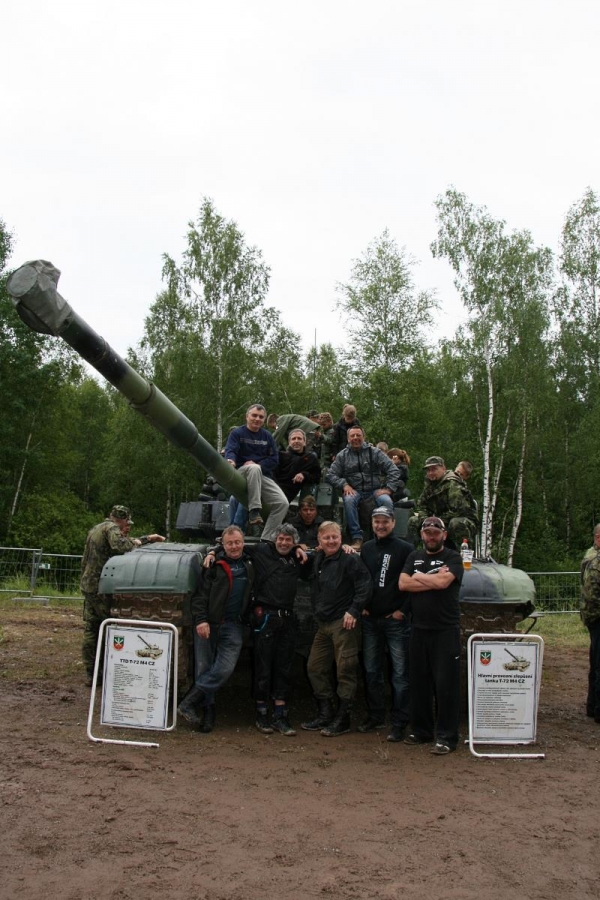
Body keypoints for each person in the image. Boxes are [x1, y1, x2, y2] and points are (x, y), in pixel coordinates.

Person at [178, 526, 254, 733]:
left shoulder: (250, 561)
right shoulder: (212, 565)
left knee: (224, 668)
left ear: (243, 542)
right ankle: (208, 711)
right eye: (229, 543)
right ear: (223, 544)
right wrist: (201, 620)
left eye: (237, 542)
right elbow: (200, 595)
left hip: (233, 624)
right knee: (204, 667)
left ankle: (188, 701)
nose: (234, 546)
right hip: (209, 624)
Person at [399, 516, 464, 755]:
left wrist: (418, 577)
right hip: (419, 628)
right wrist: (432, 579)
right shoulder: (414, 557)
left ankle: (447, 737)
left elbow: (444, 583)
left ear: (444, 535)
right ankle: (422, 731)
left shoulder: (453, 557)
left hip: (445, 629)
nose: (431, 536)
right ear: (422, 535)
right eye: (427, 532)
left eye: (436, 532)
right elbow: (403, 584)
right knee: (419, 683)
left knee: (446, 684)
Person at [80, 505, 165, 685]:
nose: (127, 526)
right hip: (100, 585)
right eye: (127, 522)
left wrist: (146, 538)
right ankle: (111, 667)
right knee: (108, 625)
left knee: (92, 627)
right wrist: (141, 542)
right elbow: (121, 546)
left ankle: (92, 672)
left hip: (88, 584)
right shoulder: (112, 528)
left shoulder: (97, 528)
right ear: (123, 519)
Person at [301, 521, 372, 736]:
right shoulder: (319, 558)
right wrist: (298, 548)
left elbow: (364, 585)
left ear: (341, 538)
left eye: (335, 537)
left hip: (343, 623)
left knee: (345, 670)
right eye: (327, 538)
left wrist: (354, 610)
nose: (331, 541)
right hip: (323, 623)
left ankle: (343, 718)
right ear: (319, 540)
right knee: (315, 668)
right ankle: (326, 713)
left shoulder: (350, 559)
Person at [359, 507, 414, 742]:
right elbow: (361, 578)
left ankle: (400, 722)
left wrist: (403, 611)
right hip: (371, 619)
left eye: (384, 522)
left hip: (395, 621)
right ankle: (376, 715)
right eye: (376, 522)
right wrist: (361, 604)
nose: (380, 526)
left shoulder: (406, 549)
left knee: (400, 674)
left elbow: (412, 583)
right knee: (372, 671)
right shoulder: (367, 548)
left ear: (393, 523)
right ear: (372, 524)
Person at [326, 425, 400, 550]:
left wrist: (389, 489)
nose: (355, 438)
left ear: (363, 437)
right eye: (352, 436)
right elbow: (331, 475)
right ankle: (357, 537)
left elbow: (393, 469)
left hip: (374, 490)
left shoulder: (374, 452)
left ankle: (387, 537)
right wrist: (344, 484)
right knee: (349, 500)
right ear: (348, 439)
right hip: (354, 490)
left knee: (387, 501)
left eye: (358, 435)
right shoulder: (342, 456)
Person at [224, 404, 289, 541]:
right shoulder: (237, 433)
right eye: (254, 415)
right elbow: (231, 450)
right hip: (242, 472)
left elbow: (274, 459)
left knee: (282, 503)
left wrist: (258, 464)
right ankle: (254, 511)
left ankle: (267, 539)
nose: (257, 419)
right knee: (253, 469)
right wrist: (231, 461)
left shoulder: (267, 436)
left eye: (261, 417)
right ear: (247, 416)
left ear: (264, 419)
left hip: (261, 474)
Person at [408, 456, 478, 550]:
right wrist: (426, 520)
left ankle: (464, 554)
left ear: (443, 469)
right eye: (428, 470)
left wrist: (437, 522)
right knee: (414, 520)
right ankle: (412, 553)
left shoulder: (453, 483)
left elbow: (457, 510)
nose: (430, 473)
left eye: (434, 469)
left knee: (455, 523)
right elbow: (422, 505)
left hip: (463, 521)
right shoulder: (430, 484)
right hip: (440, 521)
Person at [580, 525, 600, 723]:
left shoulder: (591, 557)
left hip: (593, 618)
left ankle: (593, 706)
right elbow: (592, 595)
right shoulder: (595, 561)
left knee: (596, 663)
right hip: (597, 618)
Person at [274, 429, 322, 502]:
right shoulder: (280, 456)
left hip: (287, 495)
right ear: (289, 442)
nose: (296, 441)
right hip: (275, 490)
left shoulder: (311, 458)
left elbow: (317, 477)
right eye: (293, 439)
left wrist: (304, 475)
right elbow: (272, 475)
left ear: (304, 442)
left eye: (299, 438)